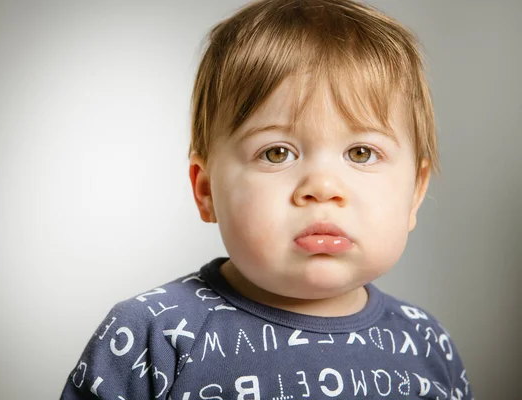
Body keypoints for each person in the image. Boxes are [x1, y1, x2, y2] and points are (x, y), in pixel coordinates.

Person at [60, 0, 474, 398]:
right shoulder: (153, 335)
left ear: (415, 193)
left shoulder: (426, 343)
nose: (323, 187)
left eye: (361, 153)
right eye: (277, 153)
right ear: (206, 190)